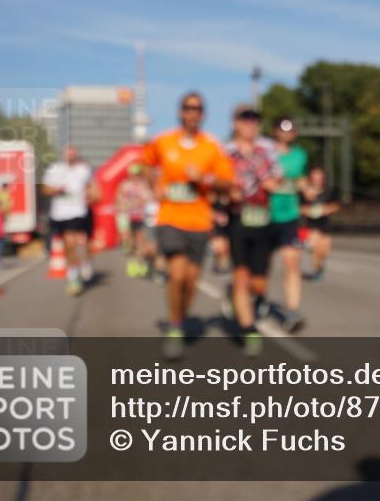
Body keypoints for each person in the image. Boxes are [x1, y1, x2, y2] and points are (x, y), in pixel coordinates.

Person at [142, 92, 234, 360]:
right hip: (170, 217)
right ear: (180, 111)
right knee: (178, 274)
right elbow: (146, 163)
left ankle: (179, 317)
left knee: (191, 282)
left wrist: (204, 178)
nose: (192, 113)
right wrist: (154, 185)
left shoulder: (212, 146)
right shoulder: (163, 141)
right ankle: (175, 327)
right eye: (188, 107)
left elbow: (227, 182)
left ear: (203, 114)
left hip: (199, 221)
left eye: (198, 108)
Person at [225, 105, 283, 356]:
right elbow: (217, 182)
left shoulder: (267, 149)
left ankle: (241, 297)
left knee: (259, 282)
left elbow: (277, 178)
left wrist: (271, 183)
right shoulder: (225, 152)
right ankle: (249, 330)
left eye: (254, 120)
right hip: (237, 219)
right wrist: (228, 190)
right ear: (235, 122)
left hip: (263, 218)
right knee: (241, 276)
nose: (250, 124)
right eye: (245, 119)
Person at [268, 117, 309, 333]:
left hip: (290, 216)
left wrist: (306, 188)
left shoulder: (300, 155)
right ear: (275, 131)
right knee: (260, 268)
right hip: (265, 215)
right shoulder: (265, 152)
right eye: (283, 128)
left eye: (291, 129)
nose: (287, 133)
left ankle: (292, 312)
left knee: (291, 262)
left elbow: (301, 179)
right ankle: (254, 298)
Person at [42, 146, 96, 297]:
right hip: (61, 214)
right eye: (69, 153)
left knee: (81, 241)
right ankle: (73, 276)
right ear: (64, 155)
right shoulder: (55, 170)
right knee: (69, 244)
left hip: (79, 211)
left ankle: (85, 263)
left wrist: (92, 194)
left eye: (74, 153)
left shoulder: (83, 170)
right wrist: (56, 190)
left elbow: (92, 186)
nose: (71, 156)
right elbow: (45, 189)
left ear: (77, 155)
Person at [301, 166, 340, 283]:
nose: (317, 179)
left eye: (320, 177)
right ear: (311, 178)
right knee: (317, 247)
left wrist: (326, 209)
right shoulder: (305, 193)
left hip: (325, 224)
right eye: (315, 177)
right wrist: (307, 210)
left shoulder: (328, 192)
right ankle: (317, 272)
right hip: (311, 225)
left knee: (325, 250)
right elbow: (299, 207)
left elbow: (336, 205)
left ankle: (319, 268)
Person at [116, 163, 154, 278]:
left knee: (140, 241)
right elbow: (119, 199)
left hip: (140, 216)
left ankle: (140, 263)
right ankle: (132, 262)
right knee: (128, 241)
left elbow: (146, 199)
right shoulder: (125, 185)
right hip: (127, 216)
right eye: (133, 174)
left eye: (137, 174)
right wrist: (124, 205)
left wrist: (135, 203)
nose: (135, 176)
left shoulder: (144, 185)